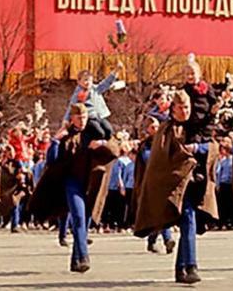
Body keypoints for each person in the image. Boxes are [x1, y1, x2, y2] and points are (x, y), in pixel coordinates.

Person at [135, 88, 220, 284]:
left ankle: (182, 268)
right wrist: (187, 159)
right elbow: (164, 160)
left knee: (189, 223)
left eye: (187, 107)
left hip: (194, 184)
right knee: (188, 221)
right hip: (174, 185)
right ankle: (190, 265)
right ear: (173, 109)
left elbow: (212, 146)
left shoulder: (197, 127)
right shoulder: (167, 130)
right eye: (181, 107)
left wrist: (199, 148)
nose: (185, 111)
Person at [29, 104, 117, 274]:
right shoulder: (67, 136)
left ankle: (75, 259)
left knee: (86, 219)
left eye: (84, 117)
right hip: (72, 181)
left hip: (91, 181)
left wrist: (101, 143)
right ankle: (84, 256)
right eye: (78, 117)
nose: (82, 121)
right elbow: (52, 160)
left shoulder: (95, 131)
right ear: (72, 119)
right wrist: (56, 140)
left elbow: (114, 150)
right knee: (78, 217)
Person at [132, 118, 174, 254]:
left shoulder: (165, 142)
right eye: (152, 127)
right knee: (157, 213)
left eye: (157, 126)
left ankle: (160, 240)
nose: (156, 129)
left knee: (160, 213)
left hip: (163, 182)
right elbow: (142, 165)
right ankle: (162, 239)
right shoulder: (144, 147)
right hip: (149, 184)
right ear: (148, 130)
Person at [69, 63, 122, 141]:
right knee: (100, 133)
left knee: (109, 131)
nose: (87, 82)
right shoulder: (78, 93)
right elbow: (71, 107)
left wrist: (115, 71)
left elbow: (106, 83)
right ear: (79, 81)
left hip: (99, 116)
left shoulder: (95, 89)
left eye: (89, 80)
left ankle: (105, 146)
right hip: (89, 118)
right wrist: (66, 120)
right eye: (85, 80)